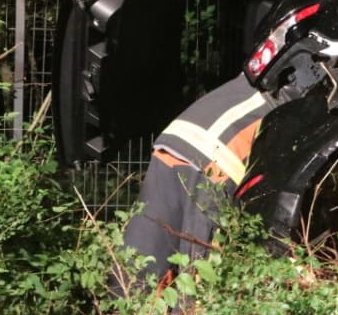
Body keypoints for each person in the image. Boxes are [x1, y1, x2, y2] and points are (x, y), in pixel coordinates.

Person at [112, 73, 273, 297]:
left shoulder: (273, 61)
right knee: (198, 280)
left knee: (132, 271)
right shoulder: (306, 89)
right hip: (215, 160)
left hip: (175, 143)